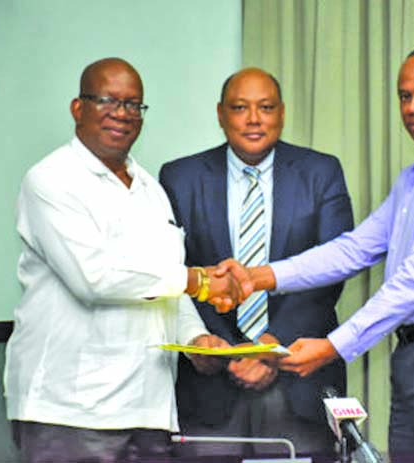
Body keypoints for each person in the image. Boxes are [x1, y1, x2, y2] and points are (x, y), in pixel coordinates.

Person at [217, 46, 414, 463]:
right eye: (404, 96)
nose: (413, 107)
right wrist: (257, 277)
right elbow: (355, 248)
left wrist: (333, 347)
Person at [4, 57, 245, 463]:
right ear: (78, 108)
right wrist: (198, 280)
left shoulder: (151, 188)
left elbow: (165, 285)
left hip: (149, 409)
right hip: (71, 412)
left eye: (134, 104)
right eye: (107, 100)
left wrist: (195, 340)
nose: (122, 113)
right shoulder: (51, 180)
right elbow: (95, 279)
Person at [159, 67, 354, 457]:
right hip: (210, 383)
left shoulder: (321, 172)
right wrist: (220, 348)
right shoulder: (180, 177)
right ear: (220, 114)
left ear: (282, 113)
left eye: (265, 107)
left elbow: (331, 272)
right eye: (240, 108)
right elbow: (172, 271)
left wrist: (270, 346)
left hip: (297, 380)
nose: (253, 119)